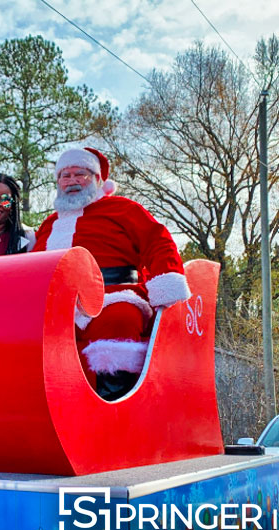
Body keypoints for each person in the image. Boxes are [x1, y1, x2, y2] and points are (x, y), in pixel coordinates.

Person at [33, 147, 190, 399]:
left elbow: (158, 241)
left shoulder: (123, 209)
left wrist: (166, 281)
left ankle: (113, 405)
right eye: (65, 175)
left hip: (113, 295)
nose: (72, 181)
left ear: (97, 179)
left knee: (119, 319)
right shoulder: (48, 225)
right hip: (54, 306)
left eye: (80, 174)